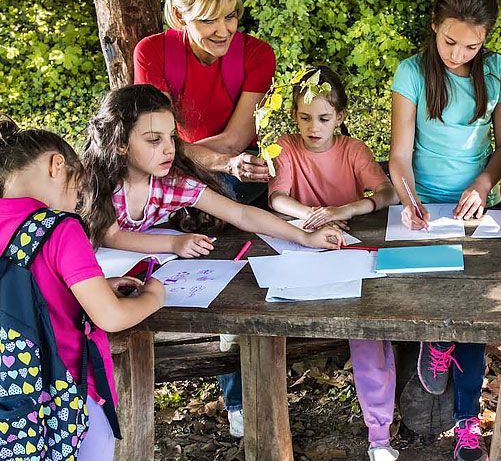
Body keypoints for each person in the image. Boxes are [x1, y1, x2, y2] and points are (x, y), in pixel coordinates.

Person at [79, 84, 344, 437]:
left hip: (132, 288)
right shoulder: (97, 180)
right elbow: (110, 236)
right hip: (84, 296)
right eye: (154, 140)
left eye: (172, 137)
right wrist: (174, 243)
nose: (169, 149)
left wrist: (304, 236)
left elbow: (241, 214)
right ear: (120, 144)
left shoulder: (170, 181)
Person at [388, 0, 501, 461]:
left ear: (487, 39)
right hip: (422, 206)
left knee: (476, 315)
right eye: (449, 41)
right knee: (429, 298)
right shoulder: (412, 73)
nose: (459, 53)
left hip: (477, 211)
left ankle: (467, 419)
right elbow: (399, 155)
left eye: (472, 45)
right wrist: (407, 199)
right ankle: (432, 343)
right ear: (433, 24)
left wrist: (483, 186)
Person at [0, 116, 165, 460]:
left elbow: (21, 287)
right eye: (77, 190)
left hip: (11, 403)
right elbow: (111, 316)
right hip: (68, 399)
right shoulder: (58, 227)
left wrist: (95, 286)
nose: (75, 203)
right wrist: (153, 296)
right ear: (57, 164)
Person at [269, 66, 399, 461]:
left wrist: (342, 209)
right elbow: (276, 197)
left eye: (324, 118)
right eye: (305, 117)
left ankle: (379, 435)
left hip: (350, 251)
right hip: (299, 248)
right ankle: (264, 427)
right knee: (263, 323)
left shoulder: (353, 150)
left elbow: (387, 191)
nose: (313, 127)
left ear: (339, 118)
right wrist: (312, 214)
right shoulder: (286, 147)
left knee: (368, 334)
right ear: (294, 115)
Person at [134, 0, 275, 204]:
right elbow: (155, 136)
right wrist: (213, 162)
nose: (223, 31)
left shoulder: (257, 55)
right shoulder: (151, 52)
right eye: (208, 20)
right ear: (180, 16)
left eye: (229, 17)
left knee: (216, 193)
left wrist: (176, 153)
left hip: (236, 167)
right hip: (174, 163)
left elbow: (234, 142)